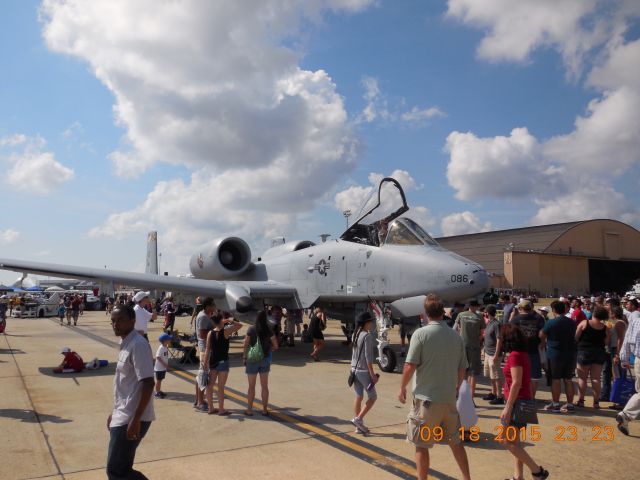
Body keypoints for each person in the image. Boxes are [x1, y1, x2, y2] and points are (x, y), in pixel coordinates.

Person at [398, 294, 471, 480]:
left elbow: (410, 365)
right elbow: (463, 369)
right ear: (442, 312)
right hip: (448, 400)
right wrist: (456, 388)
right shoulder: (456, 337)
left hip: (427, 401)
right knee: (456, 443)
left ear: (425, 313)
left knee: (421, 445)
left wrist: (402, 387)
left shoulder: (420, 334)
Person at [107, 304, 155, 480]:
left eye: (120, 320)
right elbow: (125, 384)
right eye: (113, 321)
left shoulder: (138, 345)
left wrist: (136, 419)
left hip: (133, 417)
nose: (115, 324)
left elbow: (148, 382)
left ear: (132, 321)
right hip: (123, 413)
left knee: (117, 471)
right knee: (120, 468)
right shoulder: (125, 343)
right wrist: (114, 411)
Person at [498, 324, 549, 480]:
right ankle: (518, 476)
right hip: (520, 401)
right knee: (515, 442)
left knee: (505, 440)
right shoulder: (521, 354)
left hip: (517, 403)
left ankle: (537, 471)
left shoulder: (515, 355)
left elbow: (516, 382)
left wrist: (507, 407)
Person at [539, 300, 576, 413]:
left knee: (555, 380)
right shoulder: (572, 322)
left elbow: (541, 335)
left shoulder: (551, 322)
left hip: (555, 353)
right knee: (568, 380)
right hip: (570, 353)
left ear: (554, 310)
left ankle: (555, 404)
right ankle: (569, 404)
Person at [204, 313, 243, 415]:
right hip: (223, 361)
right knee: (221, 387)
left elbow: (207, 349)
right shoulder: (226, 331)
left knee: (210, 385)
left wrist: (205, 363)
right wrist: (229, 320)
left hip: (213, 361)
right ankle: (221, 409)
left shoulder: (210, 333)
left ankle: (211, 408)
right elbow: (240, 326)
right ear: (221, 320)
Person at [242, 310, 278, 416]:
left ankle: (249, 409)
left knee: (251, 386)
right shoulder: (269, 330)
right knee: (264, 386)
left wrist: (244, 356)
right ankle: (264, 410)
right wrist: (270, 349)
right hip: (265, 359)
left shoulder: (251, 329)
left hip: (252, 360)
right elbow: (276, 345)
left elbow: (246, 343)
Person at [575, 306, 610, 408]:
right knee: (596, 379)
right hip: (599, 352)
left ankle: (581, 400)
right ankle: (596, 402)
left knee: (582, 378)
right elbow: (606, 342)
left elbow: (576, 337)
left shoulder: (584, 323)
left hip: (584, 351)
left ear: (594, 313)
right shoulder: (605, 327)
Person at [350, 312, 379, 434]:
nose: (372, 323)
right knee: (373, 397)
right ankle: (358, 419)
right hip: (363, 371)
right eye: (370, 321)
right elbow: (368, 357)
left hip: (354, 369)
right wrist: (372, 374)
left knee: (359, 396)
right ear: (365, 323)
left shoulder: (355, 334)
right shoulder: (366, 336)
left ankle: (358, 426)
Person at [511, 299, 545, 399]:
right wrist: (542, 342)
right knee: (534, 377)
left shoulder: (516, 319)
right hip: (534, 350)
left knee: (518, 376)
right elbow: (543, 333)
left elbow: (509, 333)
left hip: (519, 351)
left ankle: (521, 397)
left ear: (521, 308)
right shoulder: (539, 318)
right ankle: (531, 398)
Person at [616, 298, 640, 435]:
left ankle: (625, 415)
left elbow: (627, 340)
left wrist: (624, 358)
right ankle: (626, 414)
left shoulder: (636, 320)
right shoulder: (636, 320)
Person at [455, 300, 484, 397]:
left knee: (461, 370)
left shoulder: (461, 315)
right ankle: (470, 397)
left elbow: (456, 329)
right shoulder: (480, 317)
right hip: (474, 347)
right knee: (472, 373)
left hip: (462, 346)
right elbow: (482, 333)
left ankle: (459, 393)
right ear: (476, 306)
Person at [194, 297, 216, 412]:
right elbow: (202, 334)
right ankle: (200, 402)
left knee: (201, 375)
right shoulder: (203, 316)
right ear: (207, 306)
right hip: (204, 349)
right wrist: (216, 331)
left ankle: (198, 400)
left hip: (207, 348)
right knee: (203, 375)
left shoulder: (207, 315)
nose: (214, 307)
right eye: (213, 305)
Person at [482, 305, 504, 404]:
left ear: (488, 312)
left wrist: (496, 354)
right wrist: (484, 349)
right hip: (488, 352)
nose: (484, 313)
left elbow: (499, 339)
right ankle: (493, 392)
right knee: (491, 375)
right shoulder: (489, 323)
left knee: (496, 375)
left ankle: (499, 396)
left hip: (493, 354)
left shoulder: (496, 324)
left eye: (485, 312)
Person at [607, 306, 628, 409]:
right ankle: (619, 400)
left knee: (618, 376)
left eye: (611, 312)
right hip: (615, 349)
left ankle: (620, 401)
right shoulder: (619, 322)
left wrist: (617, 354)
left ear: (614, 314)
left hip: (616, 349)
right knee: (617, 375)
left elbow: (620, 339)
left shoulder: (619, 323)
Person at [154, 333, 172, 399]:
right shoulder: (161, 348)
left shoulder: (165, 347)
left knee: (160, 380)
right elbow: (158, 357)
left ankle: (159, 390)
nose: (170, 340)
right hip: (159, 368)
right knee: (158, 380)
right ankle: (157, 393)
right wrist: (164, 364)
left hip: (162, 368)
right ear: (165, 341)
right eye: (169, 339)